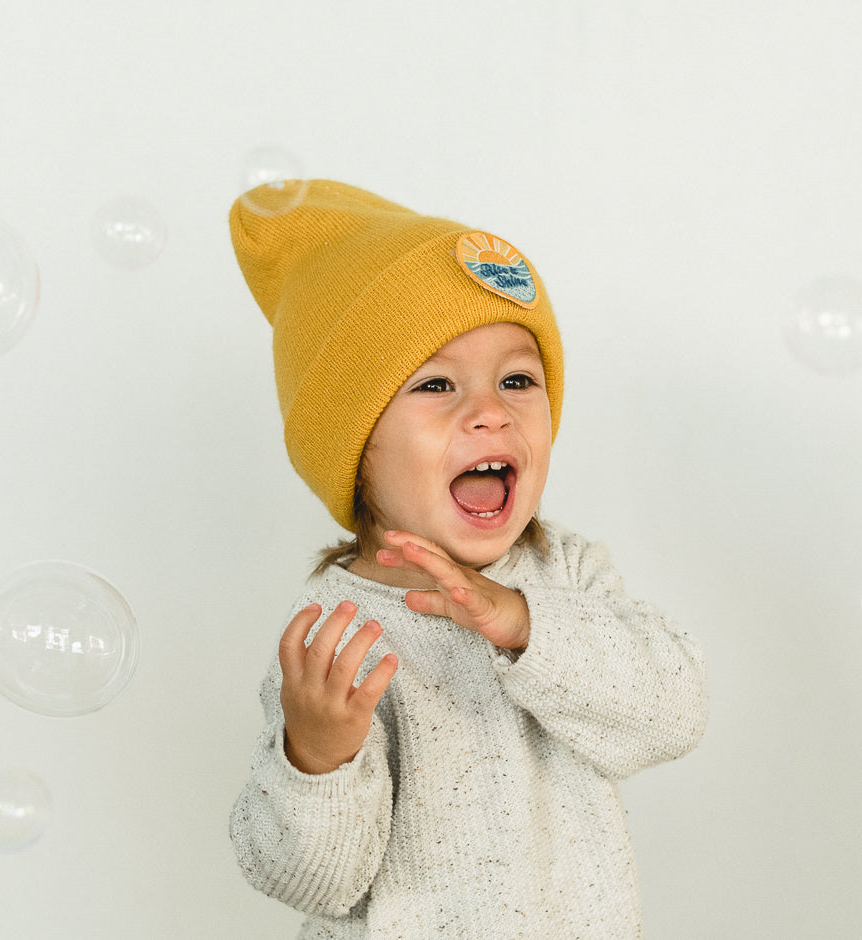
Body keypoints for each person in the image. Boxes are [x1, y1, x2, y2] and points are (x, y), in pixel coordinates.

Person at [228, 179, 708, 939]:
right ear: (353, 450)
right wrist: (316, 759)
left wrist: (524, 624)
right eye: (437, 384)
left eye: (518, 379)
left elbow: (674, 714)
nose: (491, 410)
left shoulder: (567, 576)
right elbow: (313, 882)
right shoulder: (334, 631)